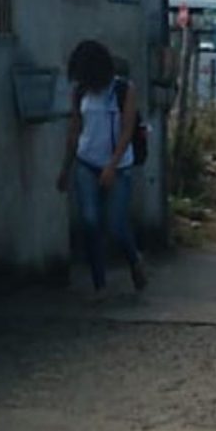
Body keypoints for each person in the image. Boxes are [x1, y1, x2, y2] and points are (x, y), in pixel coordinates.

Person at [56, 40, 148, 298]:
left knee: (117, 224)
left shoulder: (123, 89)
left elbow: (127, 130)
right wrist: (66, 167)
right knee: (90, 221)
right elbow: (75, 130)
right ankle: (99, 283)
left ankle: (134, 259)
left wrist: (112, 165)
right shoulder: (80, 93)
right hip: (87, 163)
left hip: (118, 165)